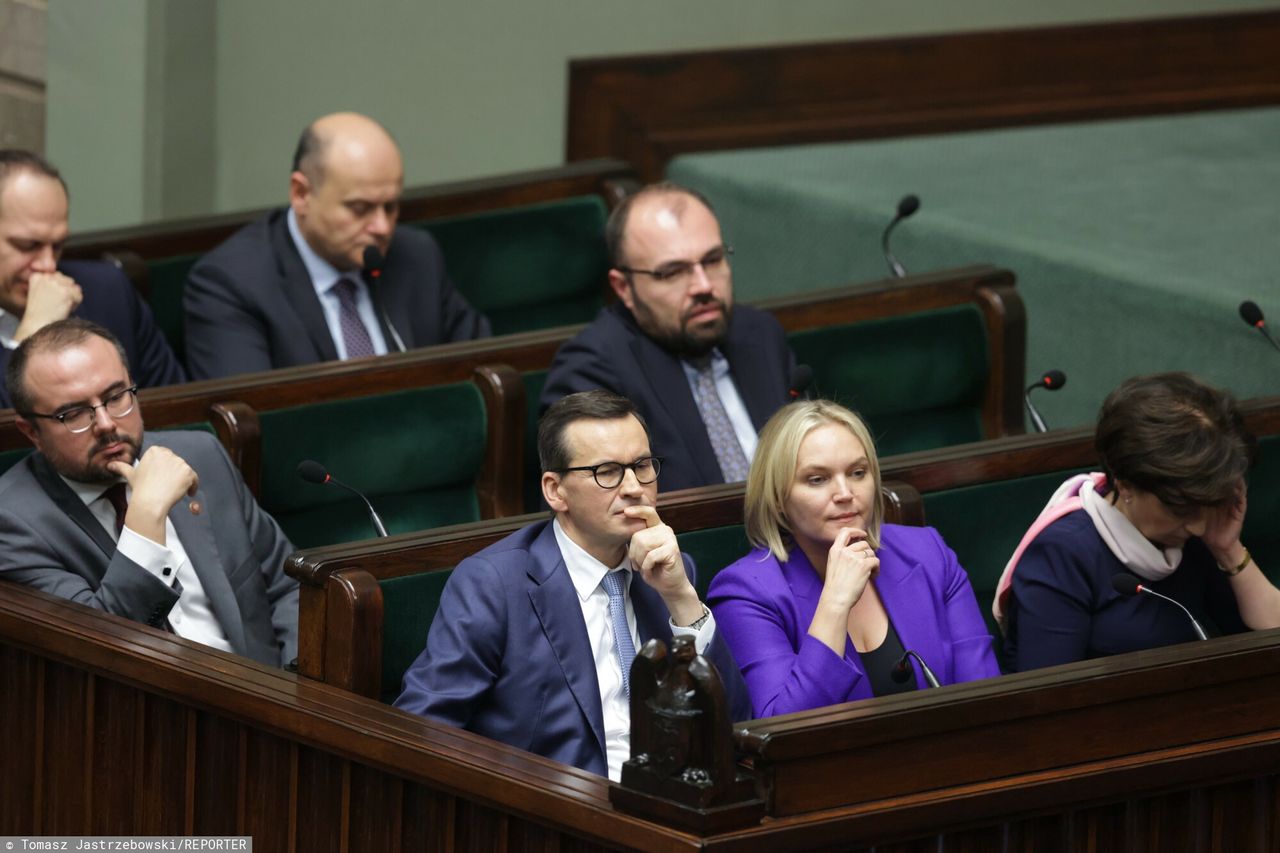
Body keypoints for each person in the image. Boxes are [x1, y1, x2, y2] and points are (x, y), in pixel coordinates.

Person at [395, 390, 751, 780]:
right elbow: (422, 730)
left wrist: (681, 598)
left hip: (672, 807)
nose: (634, 487)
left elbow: (732, 725)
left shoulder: (670, 572)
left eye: (643, 466)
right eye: (608, 471)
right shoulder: (494, 585)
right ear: (554, 490)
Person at [0, 319, 298, 667]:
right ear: (32, 431)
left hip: (268, 695)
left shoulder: (202, 456)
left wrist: (296, 688)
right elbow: (102, 651)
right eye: (74, 413)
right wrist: (147, 515)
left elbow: (287, 587)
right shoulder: (13, 522)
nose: (107, 424)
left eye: (115, 397)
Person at [708, 400, 999, 718]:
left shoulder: (927, 552)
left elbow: (984, 695)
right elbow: (785, 729)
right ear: (778, 499)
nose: (845, 492)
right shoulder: (745, 592)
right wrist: (834, 603)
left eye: (858, 473)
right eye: (817, 479)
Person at [997, 372, 1280, 671]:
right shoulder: (1063, 554)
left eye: (1205, 506)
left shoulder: (1197, 531)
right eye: (1179, 509)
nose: (1197, 527)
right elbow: (1048, 699)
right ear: (1125, 484)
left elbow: (1266, 641)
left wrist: (1228, 549)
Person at [183, 112, 490, 380]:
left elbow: (483, 365)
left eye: (391, 207)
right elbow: (251, 422)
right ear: (302, 193)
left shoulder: (415, 256)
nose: (382, 227)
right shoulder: (232, 283)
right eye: (360, 208)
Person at [540, 182, 796, 493]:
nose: (703, 285)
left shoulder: (759, 334)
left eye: (713, 260)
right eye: (672, 272)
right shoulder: (592, 369)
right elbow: (597, 516)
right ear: (624, 288)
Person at [0, 150, 185, 408]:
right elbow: (11, 441)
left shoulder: (108, 291)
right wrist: (32, 336)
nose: (48, 265)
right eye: (28, 245)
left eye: (57, 246)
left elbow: (176, 410)